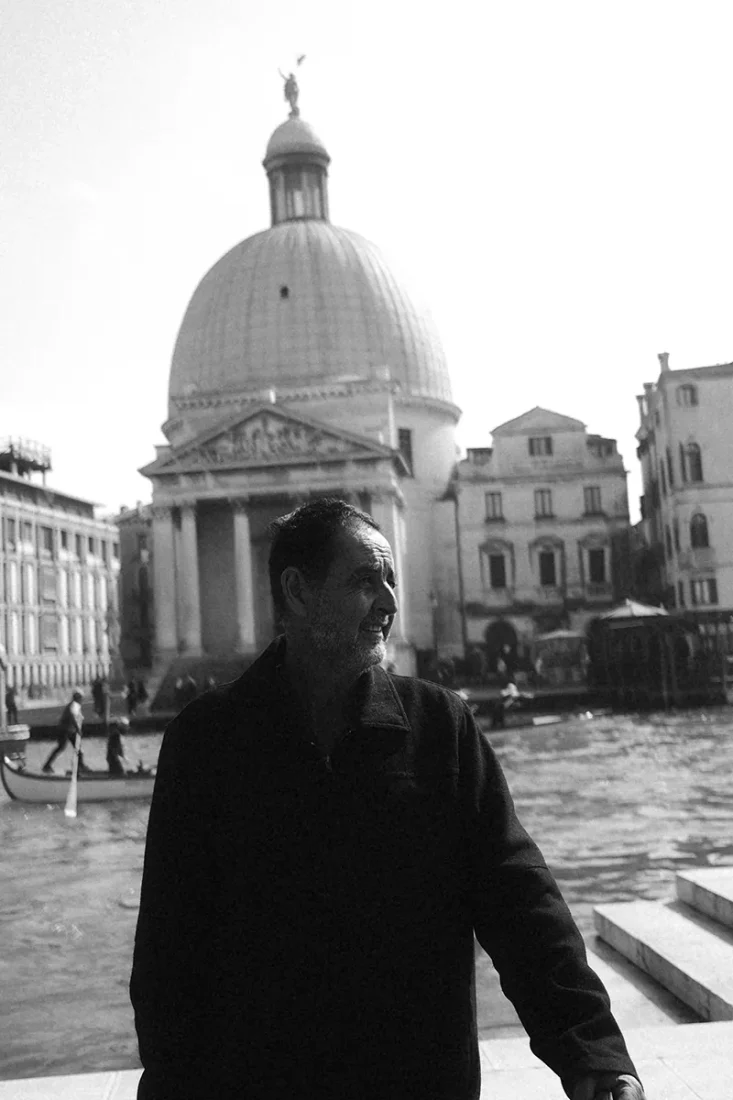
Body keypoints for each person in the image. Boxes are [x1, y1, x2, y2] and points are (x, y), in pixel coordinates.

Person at [130, 499, 645, 1100]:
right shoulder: (206, 740)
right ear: (297, 591)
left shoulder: (441, 726)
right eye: (364, 580)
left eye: (391, 580)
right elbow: (170, 948)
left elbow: (521, 904)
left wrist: (592, 1052)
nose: (390, 603)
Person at [43, 690, 90, 774]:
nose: (82, 700)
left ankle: (80, 765)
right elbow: (72, 717)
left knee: (78, 748)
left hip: (70, 730)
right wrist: (78, 729)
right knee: (61, 747)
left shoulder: (75, 705)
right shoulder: (74, 705)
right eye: (81, 698)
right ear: (78, 698)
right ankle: (46, 766)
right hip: (65, 730)